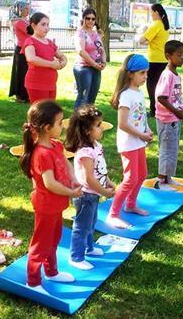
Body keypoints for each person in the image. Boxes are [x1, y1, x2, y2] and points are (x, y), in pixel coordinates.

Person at [20, 100, 82, 287]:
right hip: (47, 205)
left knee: (54, 239)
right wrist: (71, 192)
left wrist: (73, 179)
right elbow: (50, 184)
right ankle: (33, 281)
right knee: (41, 244)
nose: (62, 126)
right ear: (47, 128)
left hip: (56, 205)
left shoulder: (55, 145)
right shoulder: (42, 154)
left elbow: (66, 164)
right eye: (59, 122)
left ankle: (51, 272)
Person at [65, 105, 116, 270]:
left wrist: (107, 181)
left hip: (94, 194)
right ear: (87, 130)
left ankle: (89, 248)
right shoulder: (85, 152)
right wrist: (104, 191)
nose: (102, 128)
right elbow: (88, 178)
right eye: (98, 125)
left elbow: (100, 168)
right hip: (86, 195)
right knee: (82, 226)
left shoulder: (95, 145)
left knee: (92, 222)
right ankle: (76, 257)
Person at [108, 54, 153, 229]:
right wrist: (140, 135)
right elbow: (122, 124)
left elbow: (141, 116)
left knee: (141, 175)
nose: (145, 76)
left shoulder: (139, 92)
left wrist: (147, 129)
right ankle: (113, 214)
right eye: (142, 73)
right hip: (129, 142)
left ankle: (131, 204)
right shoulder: (126, 95)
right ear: (130, 74)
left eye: (146, 73)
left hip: (138, 141)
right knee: (130, 179)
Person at [154, 40, 183, 191]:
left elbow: (175, 96)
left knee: (173, 148)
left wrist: (182, 108)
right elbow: (161, 97)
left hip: (175, 119)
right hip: (167, 120)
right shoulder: (167, 75)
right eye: (179, 55)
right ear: (168, 56)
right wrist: (176, 111)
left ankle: (168, 178)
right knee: (166, 149)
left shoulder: (175, 74)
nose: (182, 58)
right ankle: (160, 181)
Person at [22, 12, 68, 102]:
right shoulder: (30, 41)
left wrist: (63, 62)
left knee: (50, 112)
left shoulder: (50, 42)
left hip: (51, 83)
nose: (47, 27)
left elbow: (61, 56)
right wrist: (51, 64)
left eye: (48, 24)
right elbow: (31, 58)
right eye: (43, 24)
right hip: (36, 83)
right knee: (40, 113)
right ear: (34, 26)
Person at [138, 3, 170, 117]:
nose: (151, 14)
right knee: (159, 86)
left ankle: (153, 109)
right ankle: (159, 108)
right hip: (163, 59)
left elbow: (141, 40)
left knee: (151, 85)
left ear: (156, 12)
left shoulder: (155, 25)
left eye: (151, 12)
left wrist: (144, 31)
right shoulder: (163, 25)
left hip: (154, 60)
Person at [73, 8, 106, 108]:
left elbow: (102, 50)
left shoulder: (95, 33)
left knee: (92, 98)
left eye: (93, 19)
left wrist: (103, 62)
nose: (91, 21)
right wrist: (94, 64)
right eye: (88, 18)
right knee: (83, 97)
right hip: (84, 68)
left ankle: (88, 121)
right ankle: (77, 122)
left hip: (96, 68)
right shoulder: (80, 32)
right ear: (83, 19)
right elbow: (81, 51)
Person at [8, 0, 30, 103]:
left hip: (28, 49)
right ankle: (20, 95)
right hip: (21, 50)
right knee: (21, 73)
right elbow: (31, 31)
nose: (28, 10)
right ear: (19, 9)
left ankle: (26, 94)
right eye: (25, 8)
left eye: (28, 8)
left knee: (27, 73)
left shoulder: (26, 20)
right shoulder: (18, 22)